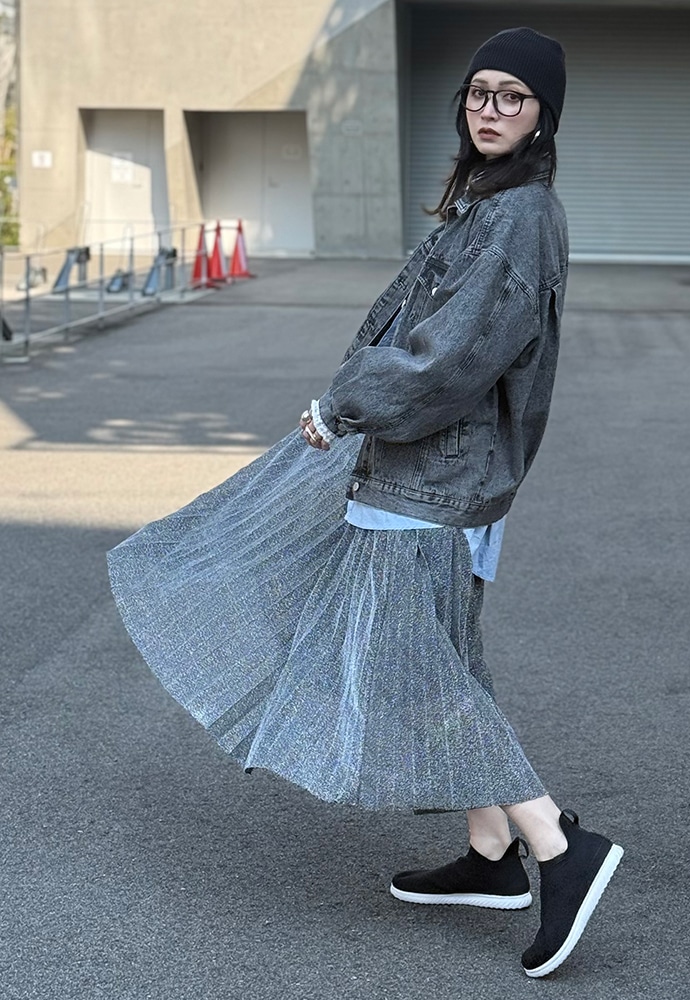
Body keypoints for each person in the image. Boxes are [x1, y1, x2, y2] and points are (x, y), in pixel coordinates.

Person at [107, 26, 622, 978]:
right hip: (433, 474)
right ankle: (492, 851)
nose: (490, 109)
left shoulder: (517, 217)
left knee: (409, 666)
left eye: (513, 96)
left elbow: (453, 357)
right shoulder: (489, 203)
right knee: (443, 665)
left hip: (434, 479)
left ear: (544, 114)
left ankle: (557, 843)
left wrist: (344, 405)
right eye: (479, 92)